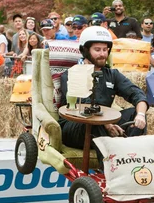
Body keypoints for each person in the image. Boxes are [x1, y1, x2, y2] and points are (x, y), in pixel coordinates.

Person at [59, 26, 148, 158]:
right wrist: (107, 124)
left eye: (105, 50)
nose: (102, 54)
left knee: (135, 113)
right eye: (97, 50)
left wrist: (140, 115)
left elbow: (137, 94)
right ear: (84, 50)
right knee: (94, 123)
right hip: (75, 126)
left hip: (105, 122)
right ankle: (109, 168)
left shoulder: (112, 74)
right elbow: (84, 106)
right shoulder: (72, 74)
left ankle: (128, 156)